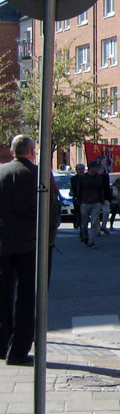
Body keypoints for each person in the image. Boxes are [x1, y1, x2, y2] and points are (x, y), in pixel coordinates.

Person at [0, 135, 60, 365]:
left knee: (3, 296)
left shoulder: (2, 173)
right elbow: (52, 212)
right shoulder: (39, 175)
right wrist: (49, 243)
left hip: (4, 245)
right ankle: (18, 350)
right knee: (28, 299)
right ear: (31, 151)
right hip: (31, 246)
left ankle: (2, 344)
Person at [76, 160, 107, 249]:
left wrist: (101, 201)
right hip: (85, 202)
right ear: (91, 168)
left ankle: (91, 241)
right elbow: (79, 190)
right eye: (96, 167)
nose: (97, 169)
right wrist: (79, 202)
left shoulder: (99, 178)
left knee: (94, 222)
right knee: (84, 222)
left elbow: (101, 190)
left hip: (96, 202)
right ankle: (85, 237)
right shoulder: (83, 178)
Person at [70, 163, 85, 239]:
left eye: (82, 169)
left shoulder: (87, 177)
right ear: (76, 170)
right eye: (79, 169)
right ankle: (81, 229)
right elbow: (73, 189)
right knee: (78, 215)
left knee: (84, 216)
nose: (81, 171)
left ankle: (83, 230)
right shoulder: (73, 179)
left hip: (86, 199)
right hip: (77, 199)